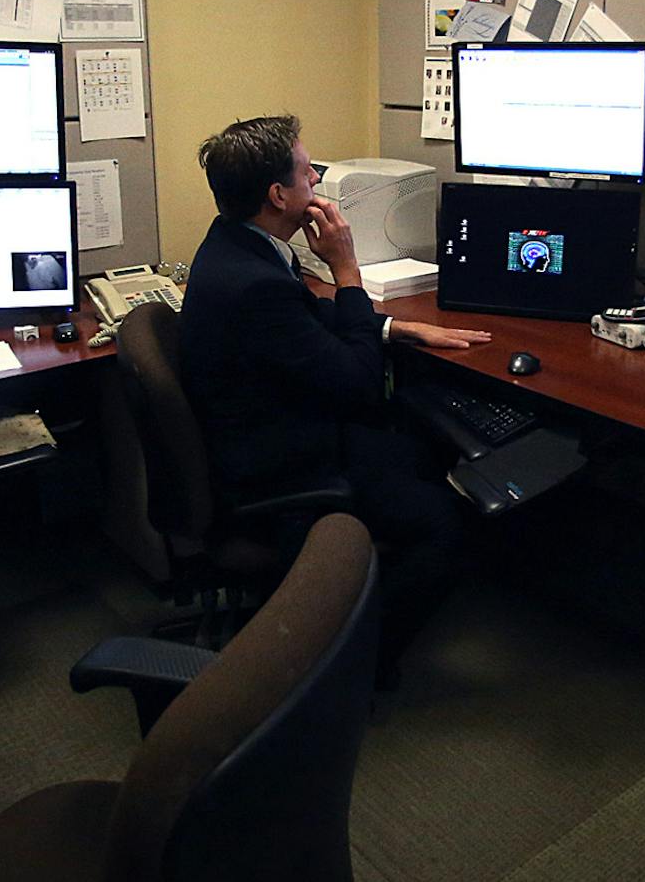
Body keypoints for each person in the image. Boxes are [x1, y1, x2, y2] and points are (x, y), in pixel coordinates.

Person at [179, 115, 489, 686]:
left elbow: (304, 317)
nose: (318, 182)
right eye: (308, 173)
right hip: (284, 464)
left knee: (426, 448)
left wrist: (396, 327)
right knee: (447, 524)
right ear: (279, 195)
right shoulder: (255, 283)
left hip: (266, 431)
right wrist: (347, 271)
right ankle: (358, 666)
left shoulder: (233, 243)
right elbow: (358, 385)